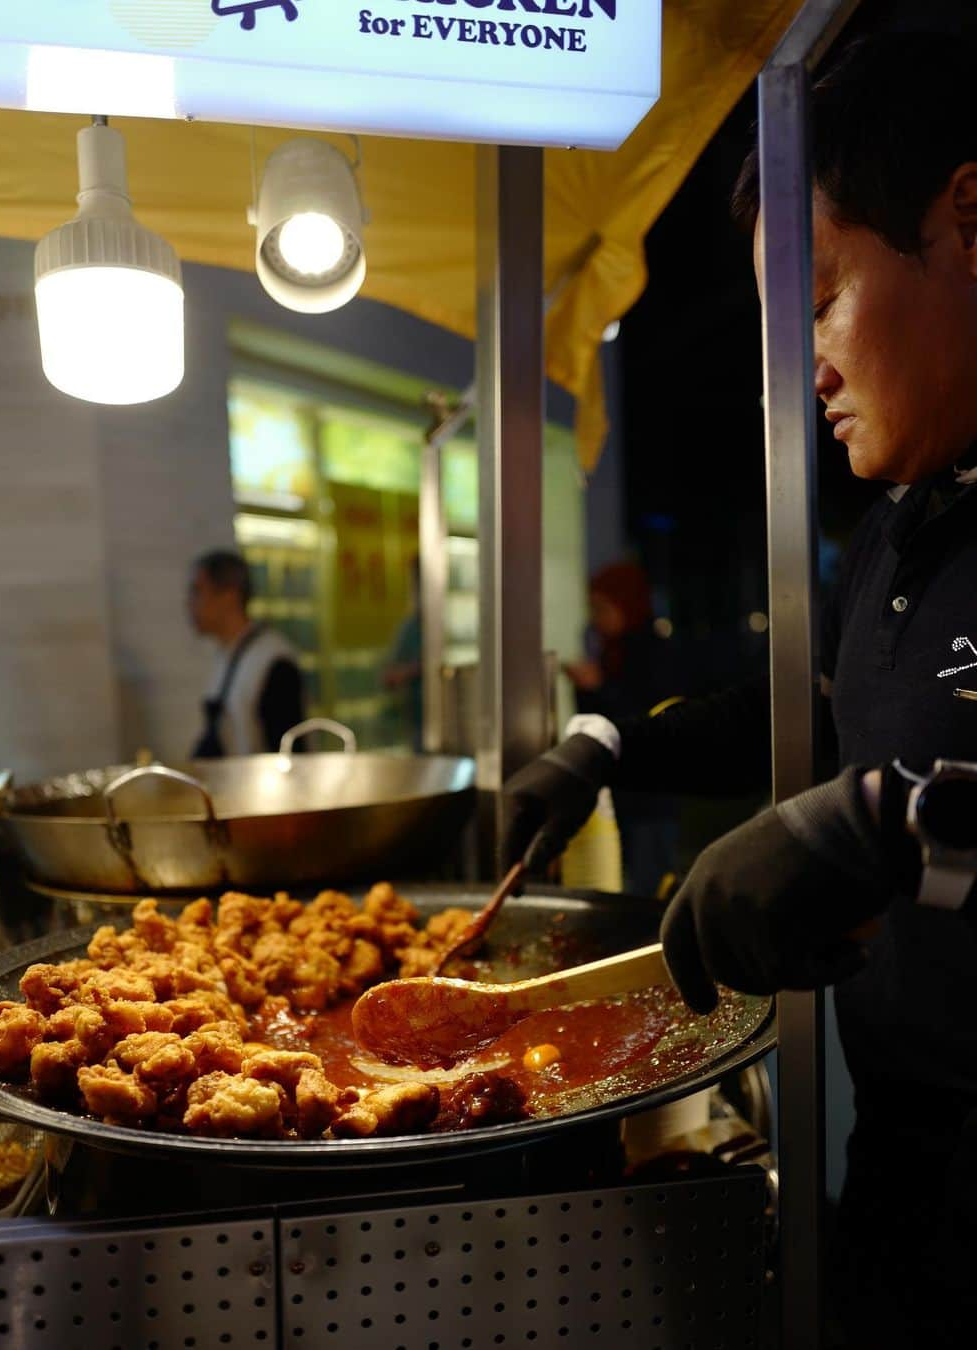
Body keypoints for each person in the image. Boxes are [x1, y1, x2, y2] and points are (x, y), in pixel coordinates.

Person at [502, 33, 977, 1349]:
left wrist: (886, 824)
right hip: (900, 1181)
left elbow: (902, 797)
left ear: (967, 220)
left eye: (822, 301)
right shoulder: (895, 529)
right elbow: (807, 712)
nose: (809, 367)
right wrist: (600, 742)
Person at [565, 561, 678, 895]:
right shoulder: (608, 650)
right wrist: (586, 688)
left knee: (651, 883)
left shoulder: (653, 651)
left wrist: (599, 687)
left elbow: (647, 721)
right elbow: (599, 723)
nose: (597, 618)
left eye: (603, 608)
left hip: (652, 794)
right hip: (622, 790)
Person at [187, 550, 304, 757]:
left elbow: (290, 750)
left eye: (198, 591)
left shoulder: (273, 660)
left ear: (229, 597)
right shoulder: (226, 655)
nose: (190, 603)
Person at [382, 558, 423, 751]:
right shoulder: (411, 628)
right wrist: (418, 668)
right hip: (419, 724)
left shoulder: (446, 624)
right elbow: (389, 677)